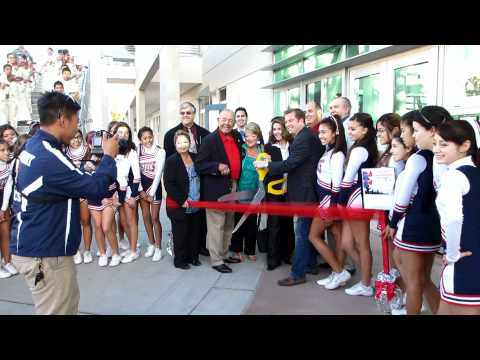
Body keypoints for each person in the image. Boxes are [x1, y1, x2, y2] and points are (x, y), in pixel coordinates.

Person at [9, 91, 119, 315]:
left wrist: (83, 172)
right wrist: (108, 157)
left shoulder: (34, 147)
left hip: (36, 247)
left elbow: (60, 182)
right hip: (46, 255)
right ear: (62, 119)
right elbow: (96, 191)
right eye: (76, 121)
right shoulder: (48, 156)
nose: (76, 127)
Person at [384, 108, 446, 315]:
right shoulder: (434, 158)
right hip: (432, 224)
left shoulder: (419, 158)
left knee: (414, 282)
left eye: (407, 130)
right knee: (422, 279)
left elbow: (402, 197)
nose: (403, 135)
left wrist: (392, 223)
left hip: (416, 224)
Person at [255, 108, 324, 286]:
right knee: (307, 232)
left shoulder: (303, 139)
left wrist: (267, 165)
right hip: (306, 192)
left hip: (305, 194)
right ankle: (310, 265)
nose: (288, 125)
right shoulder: (305, 136)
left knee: (301, 233)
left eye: (291, 121)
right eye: (286, 122)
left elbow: (290, 164)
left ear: (301, 120)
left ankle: (297, 273)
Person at [434, 120, 480, 315]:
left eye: (444, 144)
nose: (437, 149)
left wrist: (452, 254)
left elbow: (453, 219)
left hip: (464, 261)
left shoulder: (453, 177)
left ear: (465, 146)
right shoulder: (474, 173)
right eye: (435, 143)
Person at [195, 109, 244, 273]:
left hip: (233, 185)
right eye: (224, 119)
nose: (227, 123)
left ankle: (223, 254)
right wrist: (217, 166)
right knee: (217, 225)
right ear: (218, 120)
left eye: (230, 120)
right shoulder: (210, 140)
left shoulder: (236, 137)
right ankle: (216, 260)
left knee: (229, 223)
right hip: (216, 190)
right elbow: (199, 164)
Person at [309, 115, 351, 290]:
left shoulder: (338, 154)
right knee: (338, 236)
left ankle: (339, 271)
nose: (321, 135)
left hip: (328, 203)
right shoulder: (328, 150)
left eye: (324, 132)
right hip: (325, 201)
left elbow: (337, 184)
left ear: (335, 133)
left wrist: (332, 209)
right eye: (319, 132)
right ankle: (337, 272)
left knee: (313, 236)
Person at [339, 112, 378, 297]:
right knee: (347, 243)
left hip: (357, 200)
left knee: (362, 244)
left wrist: (339, 202)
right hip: (353, 200)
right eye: (349, 128)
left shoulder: (360, 149)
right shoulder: (361, 147)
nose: (350, 132)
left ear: (365, 130)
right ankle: (367, 275)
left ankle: (366, 284)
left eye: (354, 129)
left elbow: (347, 179)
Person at [163, 101, 210, 257]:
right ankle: (181, 253)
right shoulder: (170, 135)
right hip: (181, 185)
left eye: (188, 113)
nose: (185, 115)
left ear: (194, 114)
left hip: (199, 183)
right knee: (182, 226)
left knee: (199, 222)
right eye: (182, 113)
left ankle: (199, 248)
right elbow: (170, 165)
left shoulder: (205, 133)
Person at [165, 130, 202, 269]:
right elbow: (169, 184)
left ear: (190, 142)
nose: (182, 145)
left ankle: (193, 257)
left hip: (196, 201)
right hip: (180, 204)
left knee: (195, 232)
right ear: (175, 144)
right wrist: (182, 200)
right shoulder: (171, 161)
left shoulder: (195, 156)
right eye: (179, 142)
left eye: (185, 142)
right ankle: (180, 261)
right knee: (181, 234)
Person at [263, 117, 294, 270]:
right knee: (274, 223)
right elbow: (266, 169)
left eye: (279, 128)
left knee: (288, 223)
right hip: (274, 190)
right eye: (274, 129)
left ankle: (287, 254)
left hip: (289, 190)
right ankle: (273, 258)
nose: (276, 132)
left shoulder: (293, 145)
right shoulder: (268, 147)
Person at [230, 122, 263, 262]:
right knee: (238, 222)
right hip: (240, 192)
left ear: (257, 136)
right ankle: (237, 249)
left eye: (253, 135)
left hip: (255, 193)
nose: (249, 138)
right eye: (247, 135)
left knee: (252, 223)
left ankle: (250, 250)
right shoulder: (241, 149)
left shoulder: (263, 152)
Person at [64, 129, 94, 265]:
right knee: (71, 223)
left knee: (85, 220)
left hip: (83, 190)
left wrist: (91, 167)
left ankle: (87, 250)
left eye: (78, 137)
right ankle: (75, 251)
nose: (75, 140)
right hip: (69, 192)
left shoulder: (88, 150)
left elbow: (94, 168)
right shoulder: (63, 152)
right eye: (72, 138)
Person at [113, 122, 142, 264]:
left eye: (126, 132)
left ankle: (133, 251)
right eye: (120, 132)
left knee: (131, 221)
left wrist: (132, 196)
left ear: (129, 135)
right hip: (118, 192)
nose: (123, 135)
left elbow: (136, 176)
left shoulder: (132, 152)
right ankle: (131, 246)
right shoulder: (113, 150)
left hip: (129, 190)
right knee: (123, 221)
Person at [137, 126, 165, 262]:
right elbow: (136, 171)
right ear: (140, 140)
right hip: (142, 188)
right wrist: (141, 190)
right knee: (146, 216)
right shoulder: (137, 151)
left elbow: (159, 173)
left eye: (150, 137)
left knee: (155, 218)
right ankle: (151, 243)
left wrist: (152, 193)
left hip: (154, 188)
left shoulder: (160, 151)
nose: (148, 140)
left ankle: (159, 247)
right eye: (144, 138)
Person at [0, 139, 18, 278]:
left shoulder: (9, 166)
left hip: (3, 203)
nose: (6, 153)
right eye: (2, 150)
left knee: (5, 233)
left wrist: (4, 207)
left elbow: (8, 187)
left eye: (7, 150)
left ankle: (7, 261)